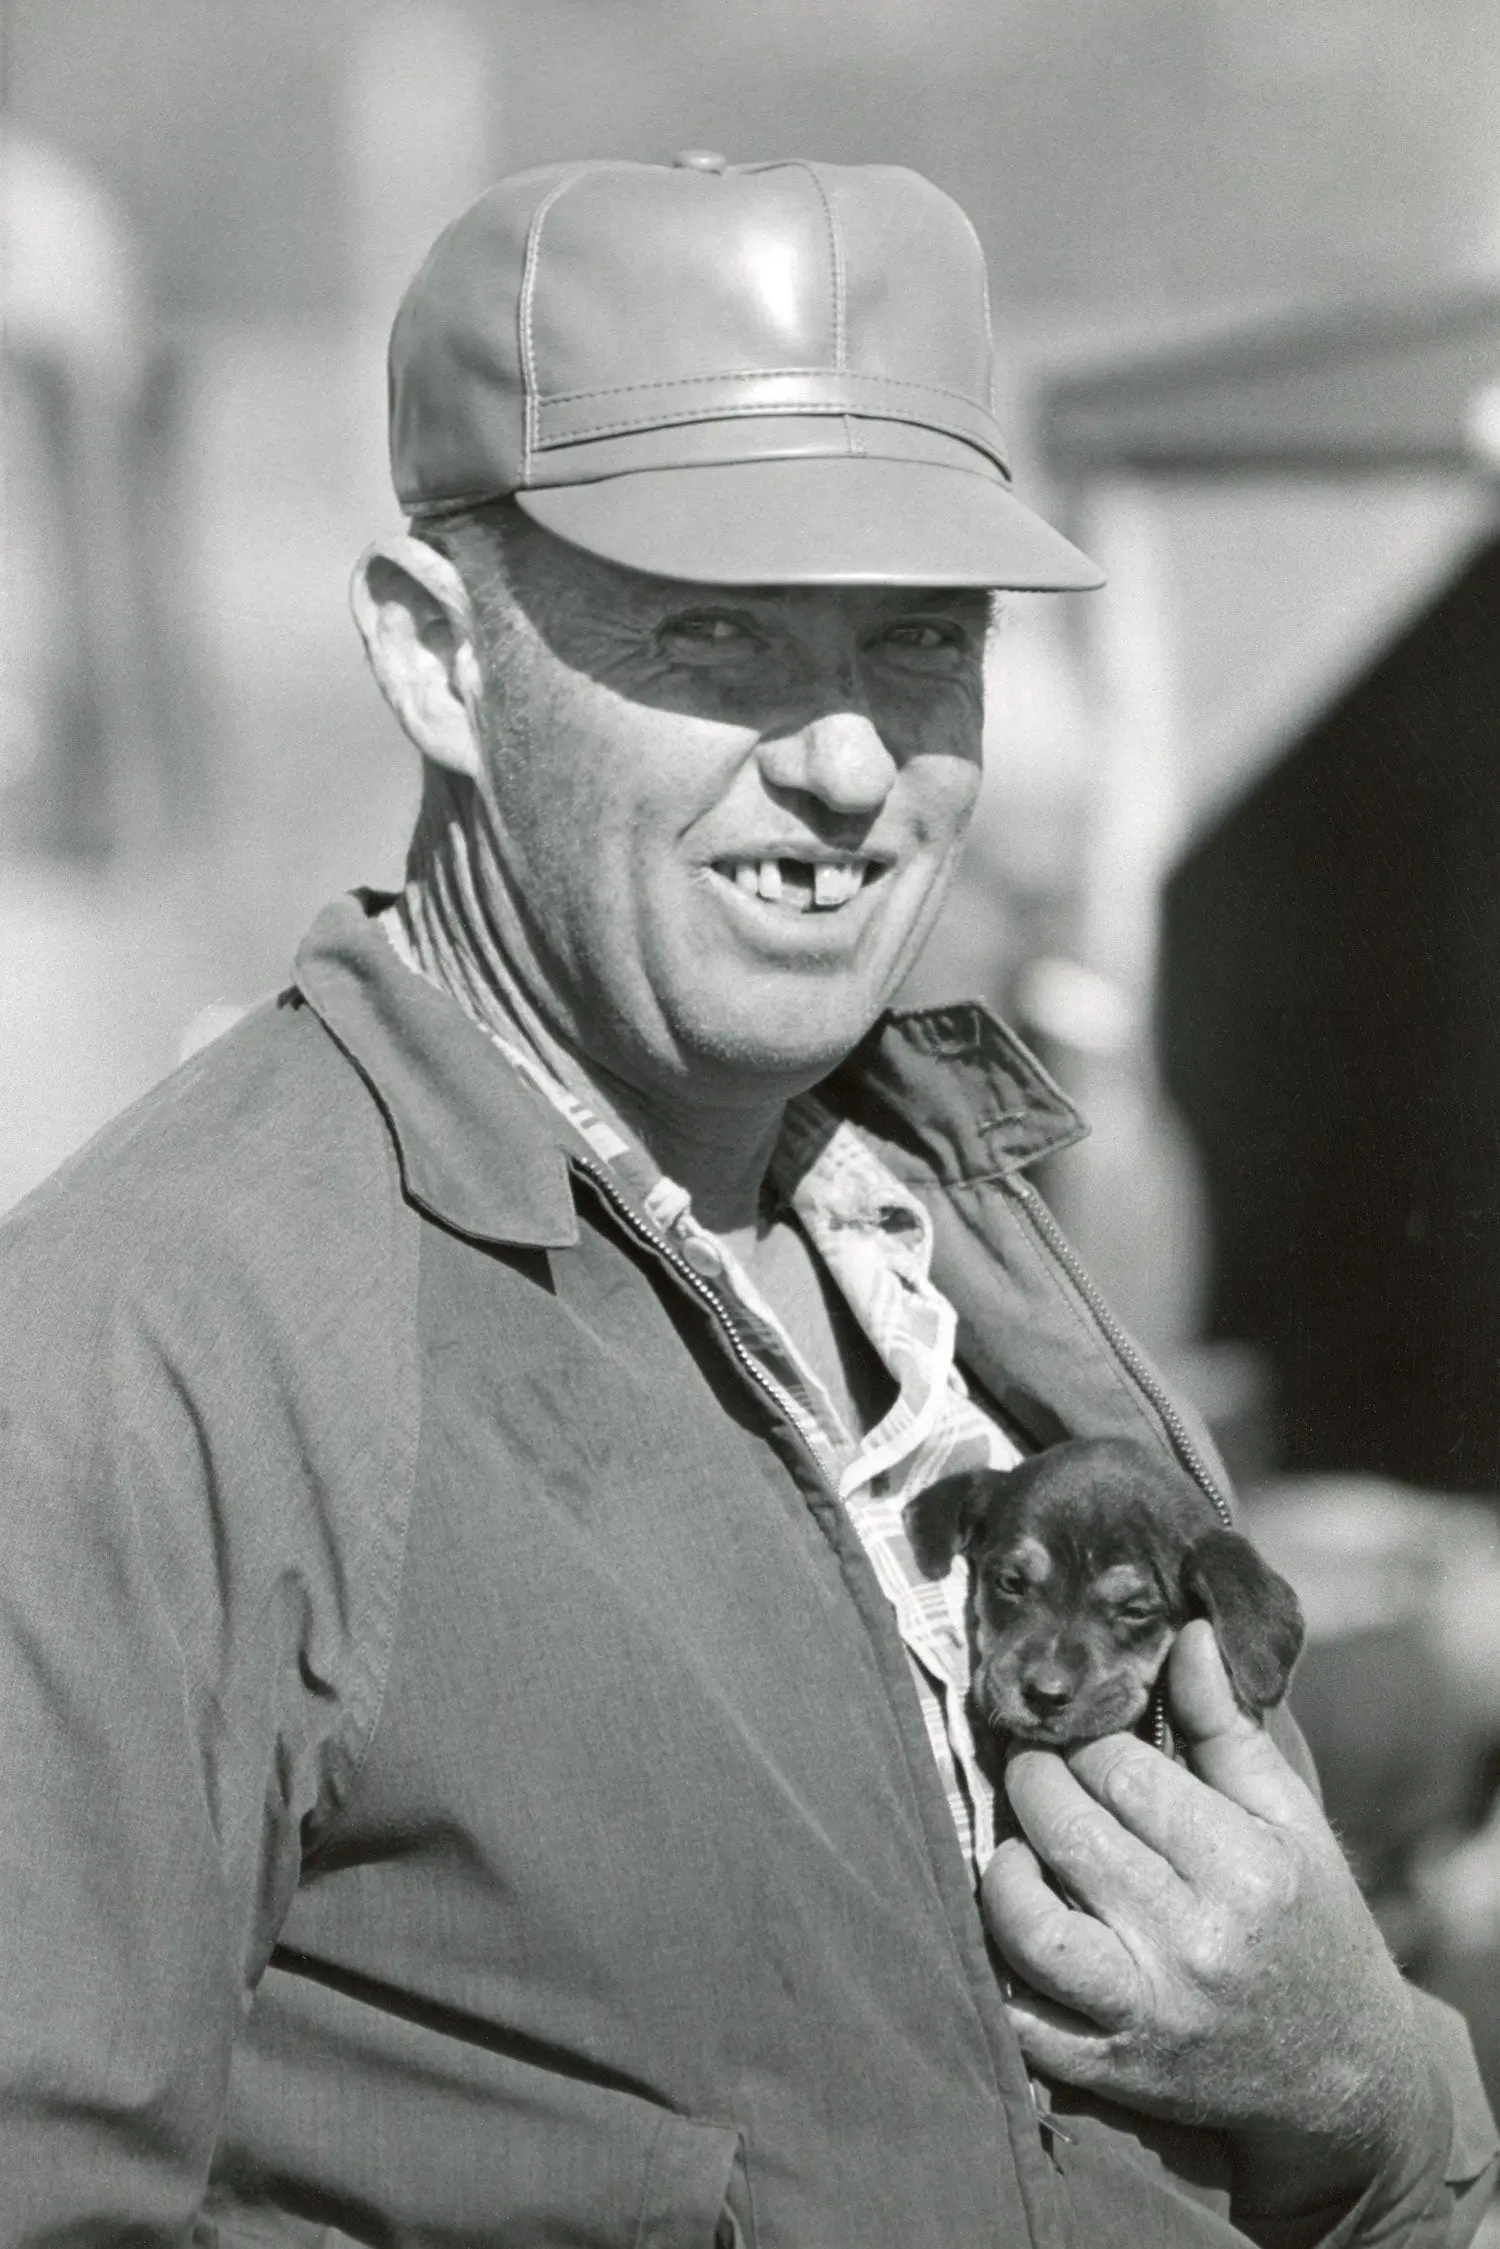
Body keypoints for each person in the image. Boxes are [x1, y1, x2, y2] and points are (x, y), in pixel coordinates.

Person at [0, 153, 1493, 2249]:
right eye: (714, 631)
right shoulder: (153, 1347)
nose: (852, 766)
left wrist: (1367, 2084)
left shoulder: (966, 1223)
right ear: (435, 658)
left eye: (918, 640)